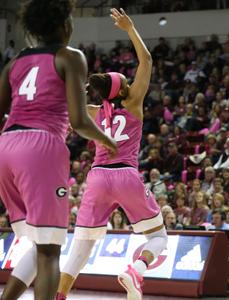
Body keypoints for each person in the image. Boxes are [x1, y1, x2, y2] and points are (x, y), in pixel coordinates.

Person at [0, 1, 117, 299]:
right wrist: (106, 139)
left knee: (41, 242)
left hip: (6, 145)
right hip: (40, 147)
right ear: (65, 25)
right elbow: (78, 121)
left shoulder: (13, 64)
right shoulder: (71, 57)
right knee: (51, 249)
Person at [56, 9, 165, 300]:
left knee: (81, 247)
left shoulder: (95, 111)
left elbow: (71, 106)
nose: (131, 84)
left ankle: (59, 296)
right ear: (123, 91)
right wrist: (130, 29)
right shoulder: (133, 103)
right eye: (126, 83)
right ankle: (136, 271)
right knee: (158, 237)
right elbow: (147, 60)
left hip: (97, 177)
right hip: (125, 174)